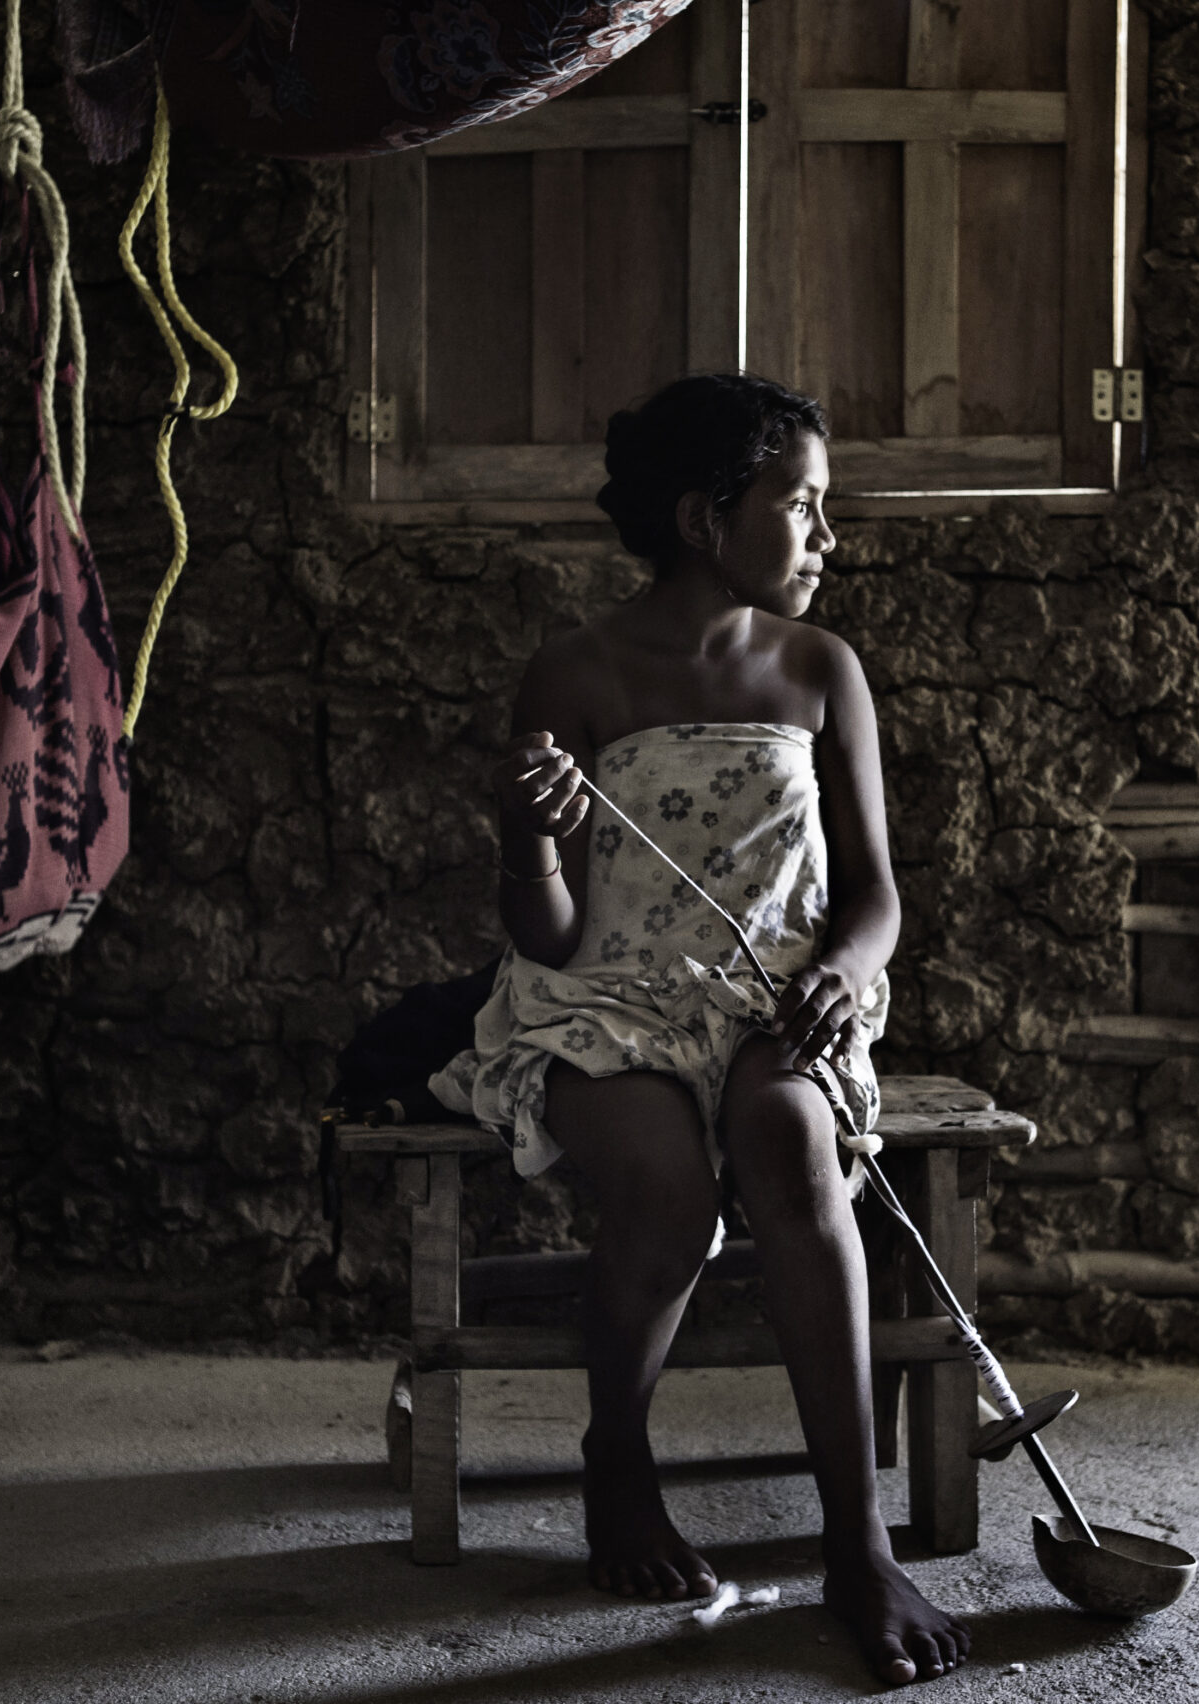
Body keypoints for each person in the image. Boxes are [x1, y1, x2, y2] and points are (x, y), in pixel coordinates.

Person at [429, 373, 970, 1685]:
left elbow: (876, 896)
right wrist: (528, 838)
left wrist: (843, 970)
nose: (827, 536)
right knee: (668, 1193)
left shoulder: (821, 671)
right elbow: (550, 936)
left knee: (787, 1143)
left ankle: (855, 1544)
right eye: (801, 504)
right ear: (702, 517)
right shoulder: (576, 673)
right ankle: (617, 1453)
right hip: (606, 999)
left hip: (781, 997)